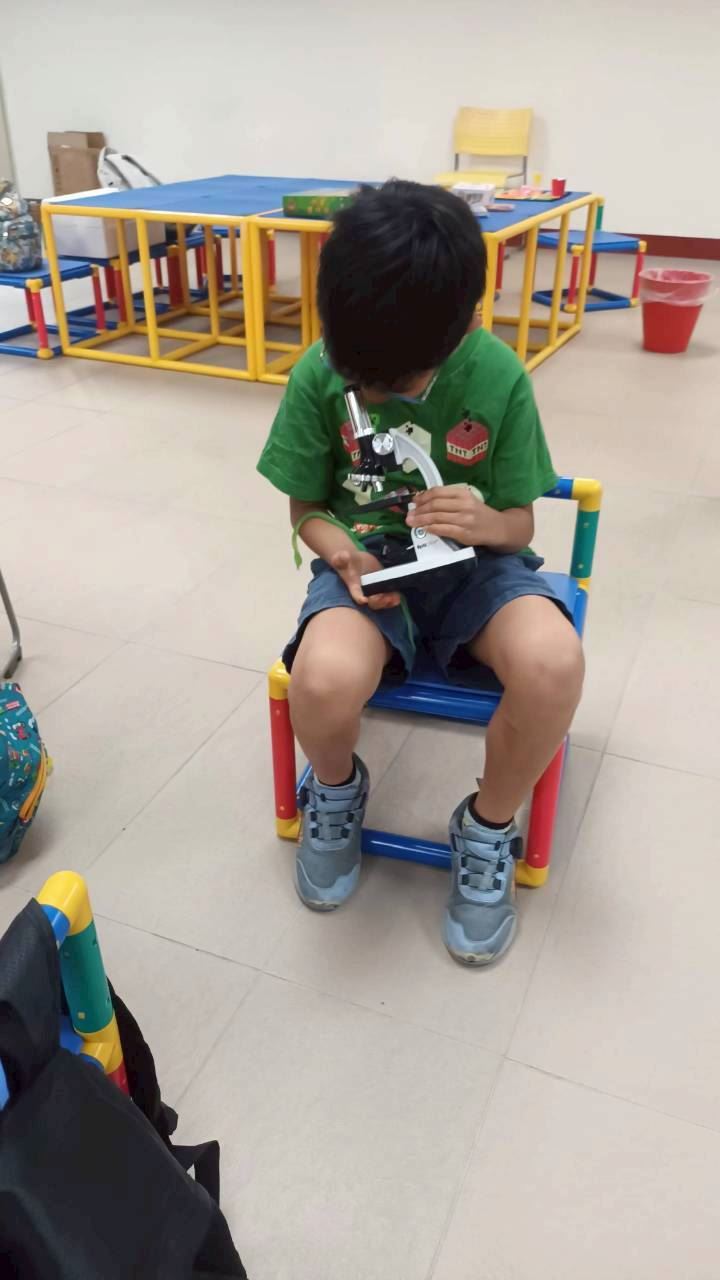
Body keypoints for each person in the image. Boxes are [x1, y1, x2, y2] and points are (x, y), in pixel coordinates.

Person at [257, 180, 584, 966]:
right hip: (368, 564)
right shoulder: (320, 373)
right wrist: (341, 553)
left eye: (398, 384)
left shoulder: (497, 375)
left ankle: (488, 825)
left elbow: (522, 523)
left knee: (554, 664)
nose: (377, 395)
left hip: (480, 567)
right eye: (363, 379)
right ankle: (336, 788)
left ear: (466, 319)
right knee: (321, 681)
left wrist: (487, 522)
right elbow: (307, 508)